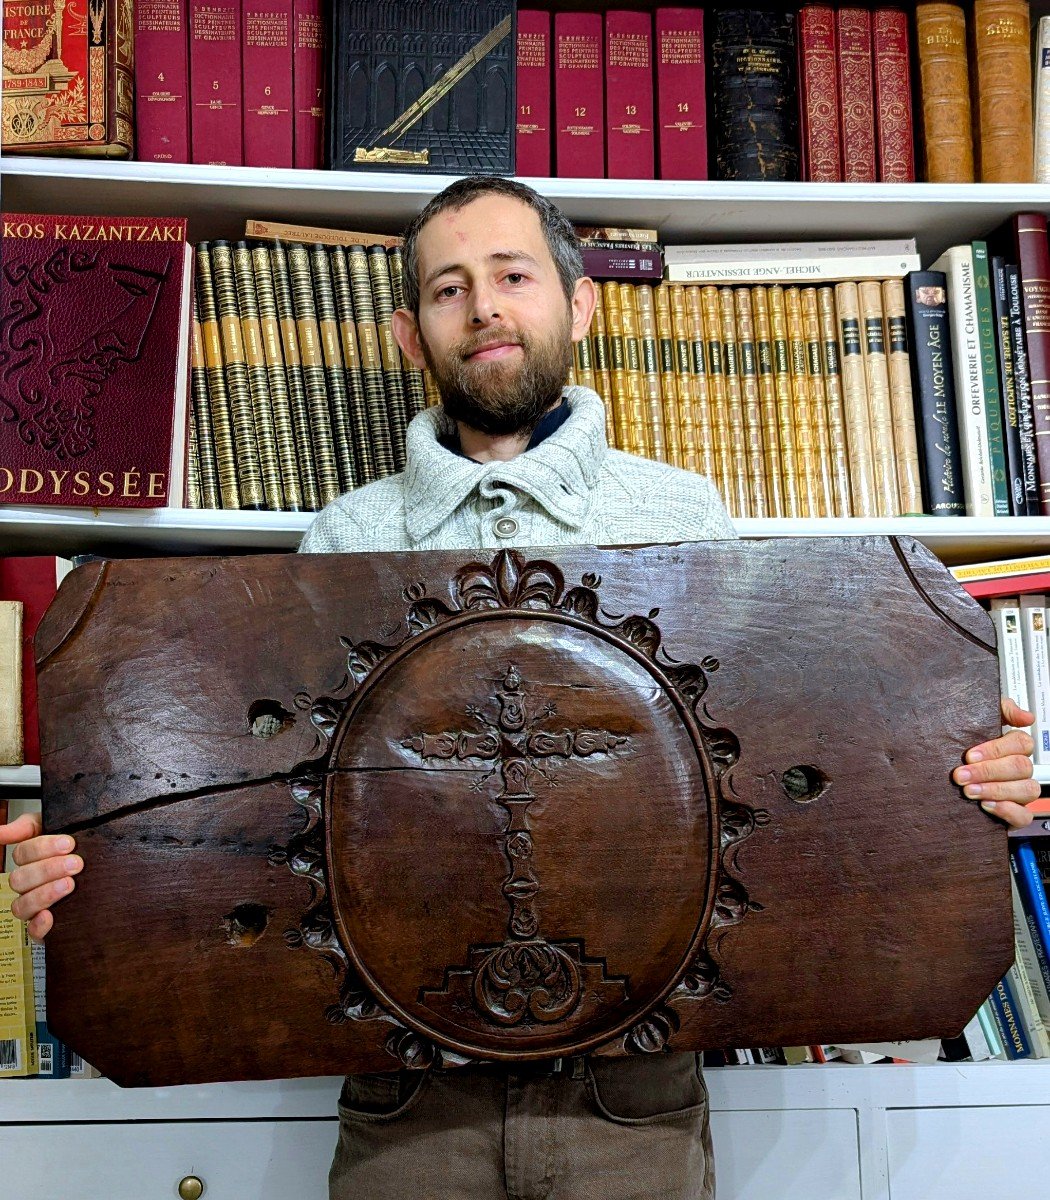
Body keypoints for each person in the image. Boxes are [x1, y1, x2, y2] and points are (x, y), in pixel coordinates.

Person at [1, 176, 1040, 1200]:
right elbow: (266, 812)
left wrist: (957, 784)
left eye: (512, 274)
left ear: (578, 303)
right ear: (412, 337)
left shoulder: (684, 512)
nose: (485, 305)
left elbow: (769, 769)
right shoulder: (338, 544)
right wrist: (97, 875)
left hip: (637, 1106)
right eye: (450, 289)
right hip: (405, 1111)